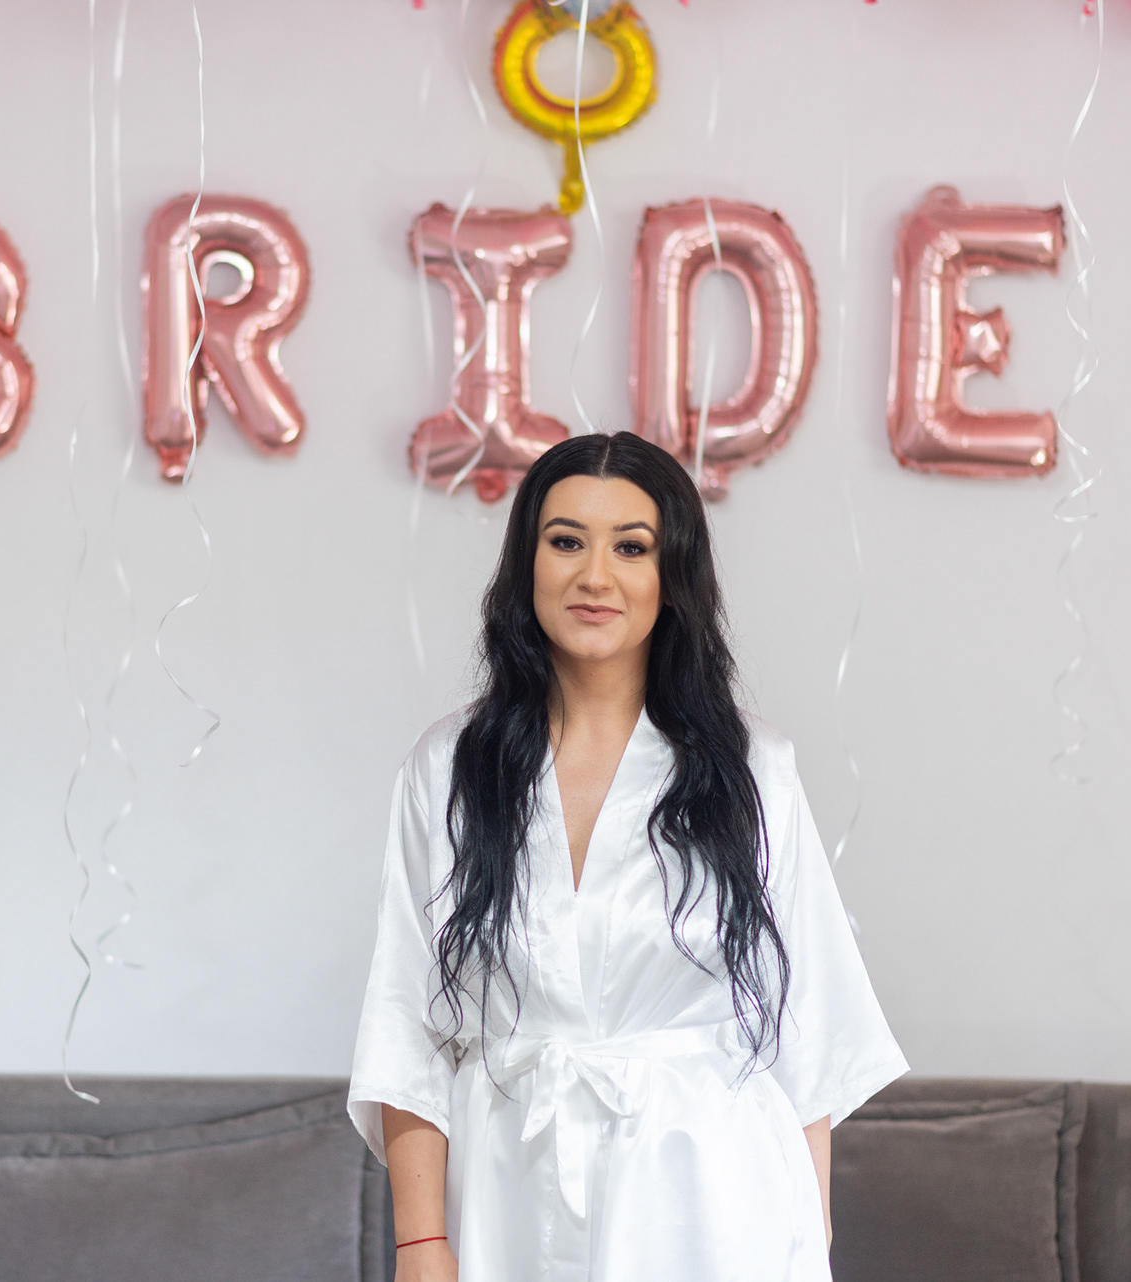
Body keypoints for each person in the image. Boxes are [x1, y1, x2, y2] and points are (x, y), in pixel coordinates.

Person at [347, 432, 906, 1282]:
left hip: (713, 1203)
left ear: (671, 575)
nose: (595, 576)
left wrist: (808, 1235)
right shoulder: (451, 768)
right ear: (526, 563)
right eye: (566, 541)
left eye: (632, 547)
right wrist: (421, 1246)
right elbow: (409, 1020)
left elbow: (808, 1033)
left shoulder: (755, 769)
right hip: (508, 1190)